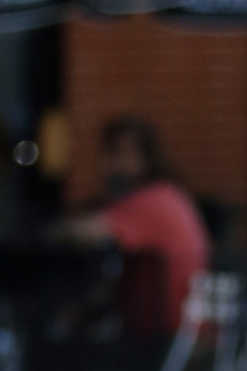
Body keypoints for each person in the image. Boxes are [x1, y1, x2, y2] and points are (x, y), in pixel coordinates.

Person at [50, 116, 210, 341]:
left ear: (145, 157)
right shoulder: (169, 194)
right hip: (170, 325)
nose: (109, 163)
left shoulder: (154, 200)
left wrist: (51, 228)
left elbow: (85, 232)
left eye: (119, 153)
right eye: (107, 153)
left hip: (163, 330)